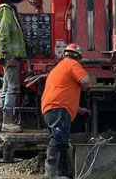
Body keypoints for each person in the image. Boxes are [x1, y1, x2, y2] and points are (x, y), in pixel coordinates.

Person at [41, 43, 90, 179]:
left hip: (52, 109)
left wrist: (78, 109)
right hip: (58, 109)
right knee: (58, 139)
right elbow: (85, 80)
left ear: (65, 54)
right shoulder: (72, 64)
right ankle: (50, 174)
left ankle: (57, 172)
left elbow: (63, 91)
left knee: (60, 139)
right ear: (78, 57)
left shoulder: (59, 67)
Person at [0, 0, 27, 133]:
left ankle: (2, 120)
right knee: (12, 88)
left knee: (6, 88)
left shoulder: (6, 9)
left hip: (8, 56)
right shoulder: (6, 11)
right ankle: (7, 121)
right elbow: (3, 34)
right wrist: (8, 56)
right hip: (11, 57)